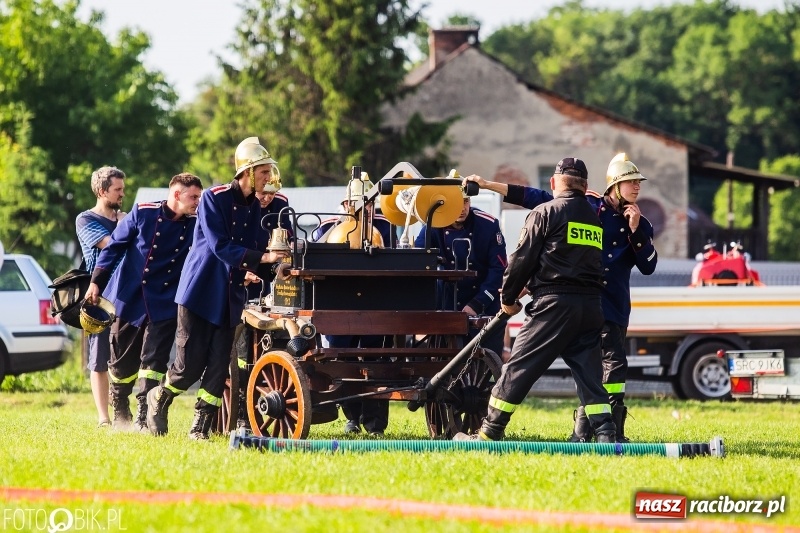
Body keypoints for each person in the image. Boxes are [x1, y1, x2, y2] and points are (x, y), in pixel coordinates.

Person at [465, 153, 657, 441]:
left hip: (578, 305)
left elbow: (522, 258)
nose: (637, 187)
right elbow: (534, 196)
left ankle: (491, 431)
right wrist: (490, 185)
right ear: (609, 186)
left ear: (556, 183)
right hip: (591, 307)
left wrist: (511, 295)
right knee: (591, 376)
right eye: (631, 182)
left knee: (523, 366)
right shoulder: (592, 212)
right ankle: (604, 432)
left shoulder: (631, 222)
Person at [145, 137, 289, 440]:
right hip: (199, 292)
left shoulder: (258, 207)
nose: (268, 177)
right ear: (248, 172)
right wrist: (262, 258)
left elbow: (256, 248)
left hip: (230, 296)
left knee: (219, 365)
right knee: (188, 367)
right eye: (263, 171)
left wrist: (274, 269)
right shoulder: (214, 197)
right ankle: (160, 396)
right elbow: (219, 246)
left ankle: (200, 428)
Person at [84, 173, 203, 431]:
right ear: (177, 194)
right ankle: (120, 407)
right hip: (130, 296)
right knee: (121, 361)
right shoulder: (143, 212)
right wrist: (96, 283)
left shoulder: (196, 222)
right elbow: (113, 248)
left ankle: (143, 416)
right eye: (193, 197)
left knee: (154, 361)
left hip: (165, 300)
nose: (197, 202)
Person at [312, 173, 394, 436]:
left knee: (376, 360)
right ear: (346, 204)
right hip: (339, 305)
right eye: (360, 203)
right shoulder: (327, 227)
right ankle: (352, 417)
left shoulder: (386, 227)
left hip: (376, 304)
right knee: (341, 359)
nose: (365, 209)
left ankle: (375, 423)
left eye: (369, 204)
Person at [414, 173, 508, 357]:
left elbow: (498, 270)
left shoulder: (488, 225)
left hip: (484, 304)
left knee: (487, 360)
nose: (462, 208)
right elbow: (418, 259)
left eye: (465, 201)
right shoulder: (434, 224)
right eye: (456, 202)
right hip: (447, 305)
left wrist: (476, 304)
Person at [75, 166, 126, 428]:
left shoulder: (125, 218)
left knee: (125, 355)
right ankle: (104, 418)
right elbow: (110, 245)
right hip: (100, 298)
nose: (122, 194)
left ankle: (124, 411)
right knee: (99, 358)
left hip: (127, 293)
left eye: (123, 189)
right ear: (102, 191)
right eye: (117, 189)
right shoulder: (85, 220)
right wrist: (124, 225)